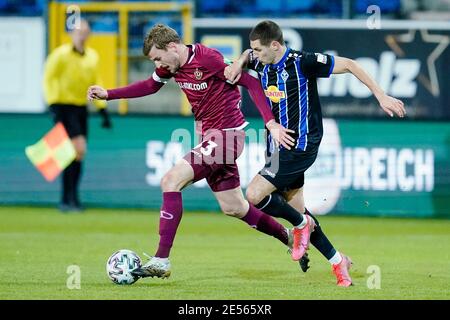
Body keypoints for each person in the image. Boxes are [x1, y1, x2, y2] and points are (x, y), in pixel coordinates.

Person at [88, 24, 298, 279]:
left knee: (170, 180)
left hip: (227, 135)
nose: (157, 64)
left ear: (172, 47)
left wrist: (270, 122)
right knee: (233, 206)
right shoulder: (171, 66)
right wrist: (108, 94)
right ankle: (288, 236)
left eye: (157, 57)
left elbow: (251, 82)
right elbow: (150, 86)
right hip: (210, 137)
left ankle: (162, 259)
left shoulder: (208, 58)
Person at [224, 20, 406, 286]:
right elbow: (246, 57)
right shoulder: (261, 61)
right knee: (299, 211)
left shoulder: (303, 62)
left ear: (275, 45)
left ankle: (300, 226)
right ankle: (337, 261)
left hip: (301, 145)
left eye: (259, 50)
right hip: (277, 148)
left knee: (253, 195)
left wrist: (380, 95)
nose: (256, 55)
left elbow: (351, 65)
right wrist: (242, 58)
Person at [43, 19, 112, 213]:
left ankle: (70, 198)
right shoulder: (60, 55)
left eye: (86, 32)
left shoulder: (92, 56)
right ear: (72, 33)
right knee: (77, 148)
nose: (82, 35)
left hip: (81, 108)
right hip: (64, 107)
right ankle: (69, 198)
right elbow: (49, 79)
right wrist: (53, 104)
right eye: (79, 31)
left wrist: (102, 109)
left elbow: (95, 81)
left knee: (77, 154)